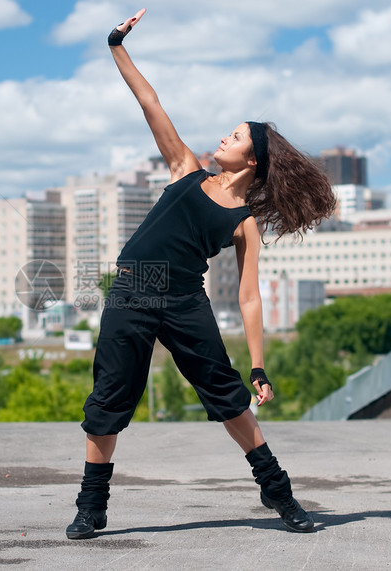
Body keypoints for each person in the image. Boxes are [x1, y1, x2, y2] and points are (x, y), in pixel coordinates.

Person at [65, 8, 336, 540]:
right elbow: (151, 103)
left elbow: (249, 297)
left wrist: (258, 368)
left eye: (235, 137)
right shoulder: (185, 170)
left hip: (185, 301)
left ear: (252, 159)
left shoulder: (245, 221)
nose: (224, 138)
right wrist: (117, 45)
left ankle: (277, 493)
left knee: (226, 395)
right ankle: (91, 506)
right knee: (110, 398)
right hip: (132, 290)